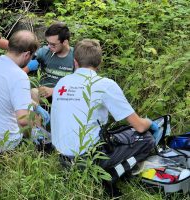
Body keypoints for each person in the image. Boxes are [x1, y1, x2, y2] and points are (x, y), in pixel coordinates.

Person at [51, 39, 158, 194]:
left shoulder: (62, 83)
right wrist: (149, 122)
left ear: (75, 62)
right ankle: (109, 177)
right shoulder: (104, 84)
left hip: (62, 157)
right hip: (88, 158)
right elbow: (139, 125)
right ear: (99, 63)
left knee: (117, 134)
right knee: (146, 139)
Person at [0, 30, 50, 153]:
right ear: (27, 54)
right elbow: (22, 119)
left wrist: (35, 105)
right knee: (43, 138)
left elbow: (6, 94)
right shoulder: (19, 76)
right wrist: (38, 124)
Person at [23, 23, 74, 103]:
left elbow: (80, 83)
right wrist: (28, 66)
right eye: (48, 43)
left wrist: (54, 90)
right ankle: (38, 115)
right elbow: (22, 70)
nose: (49, 46)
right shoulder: (44, 52)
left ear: (65, 42)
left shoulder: (75, 56)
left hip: (66, 93)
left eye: (53, 44)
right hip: (44, 92)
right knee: (33, 93)